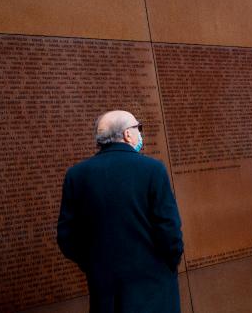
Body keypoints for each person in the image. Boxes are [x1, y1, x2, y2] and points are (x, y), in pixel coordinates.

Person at [57, 110, 183, 313]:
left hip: (104, 293)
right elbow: (169, 229)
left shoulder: (76, 175)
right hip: (154, 289)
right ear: (127, 134)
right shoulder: (152, 169)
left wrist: (94, 265)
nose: (140, 134)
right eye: (138, 128)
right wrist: (168, 264)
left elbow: (66, 237)